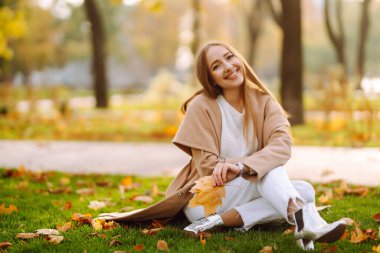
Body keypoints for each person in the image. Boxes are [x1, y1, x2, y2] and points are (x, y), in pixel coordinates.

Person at [98, 41, 347, 251]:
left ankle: (219, 222)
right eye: (217, 66)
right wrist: (247, 165)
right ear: (211, 79)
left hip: (243, 191)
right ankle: (303, 218)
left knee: (304, 190)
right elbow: (207, 166)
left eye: (229, 58)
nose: (227, 67)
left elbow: (282, 146)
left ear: (239, 59)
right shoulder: (201, 106)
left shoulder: (264, 102)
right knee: (274, 174)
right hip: (205, 198)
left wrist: (241, 166)